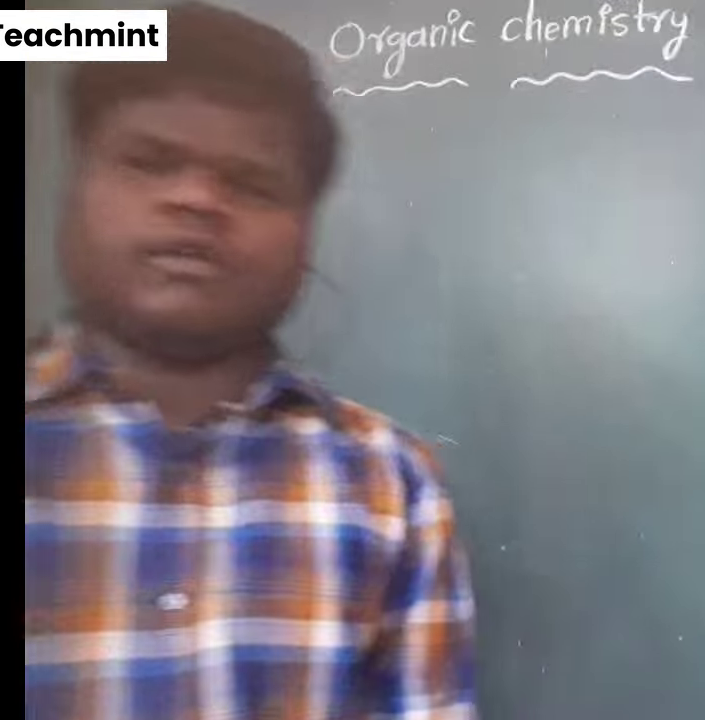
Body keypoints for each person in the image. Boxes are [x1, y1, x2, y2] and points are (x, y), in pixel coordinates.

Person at [24, 3, 478, 718]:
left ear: (306, 236)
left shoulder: (389, 483)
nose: (196, 198)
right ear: (75, 187)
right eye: (149, 161)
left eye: (253, 183)